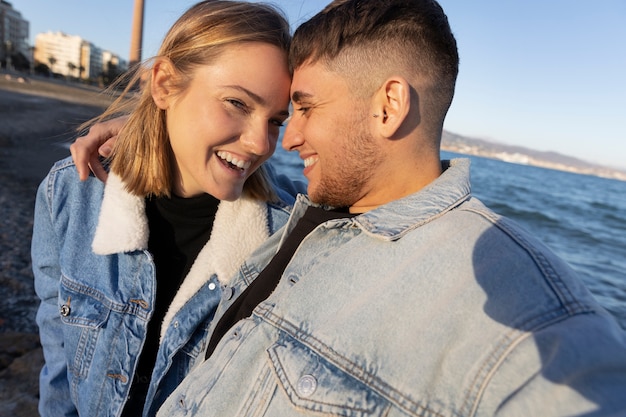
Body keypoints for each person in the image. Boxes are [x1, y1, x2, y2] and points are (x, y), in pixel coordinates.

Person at [73, 0, 626, 416]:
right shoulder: (305, 212)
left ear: (389, 106)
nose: (284, 140)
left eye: (305, 108)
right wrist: (161, 128)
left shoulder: (521, 314)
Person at [31, 2, 303, 416]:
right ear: (164, 85)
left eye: (275, 120)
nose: (261, 144)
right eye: (237, 103)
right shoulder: (71, 193)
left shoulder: (286, 235)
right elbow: (60, 365)